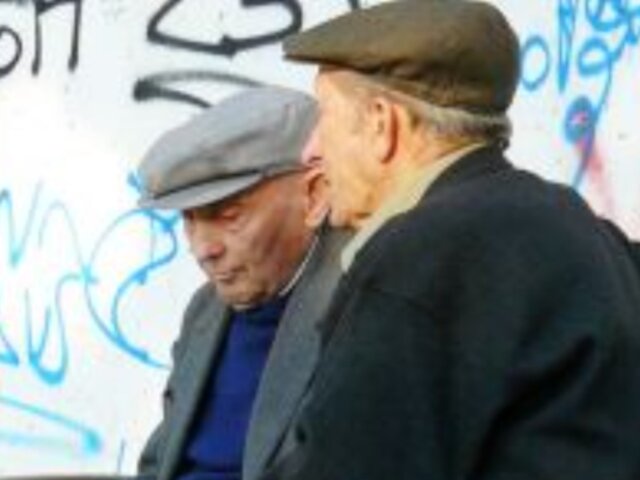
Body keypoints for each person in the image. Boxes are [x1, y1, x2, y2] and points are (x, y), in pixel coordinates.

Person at [260, 2, 640, 479]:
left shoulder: (420, 258)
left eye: (324, 117)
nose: (310, 150)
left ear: (382, 124)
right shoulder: (572, 220)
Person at [135, 86, 347, 480]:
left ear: (315, 196)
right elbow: (158, 463)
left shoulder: (359, 311)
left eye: (229, 216)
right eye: (189, 220)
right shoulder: (204, 309)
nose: (203, 249)